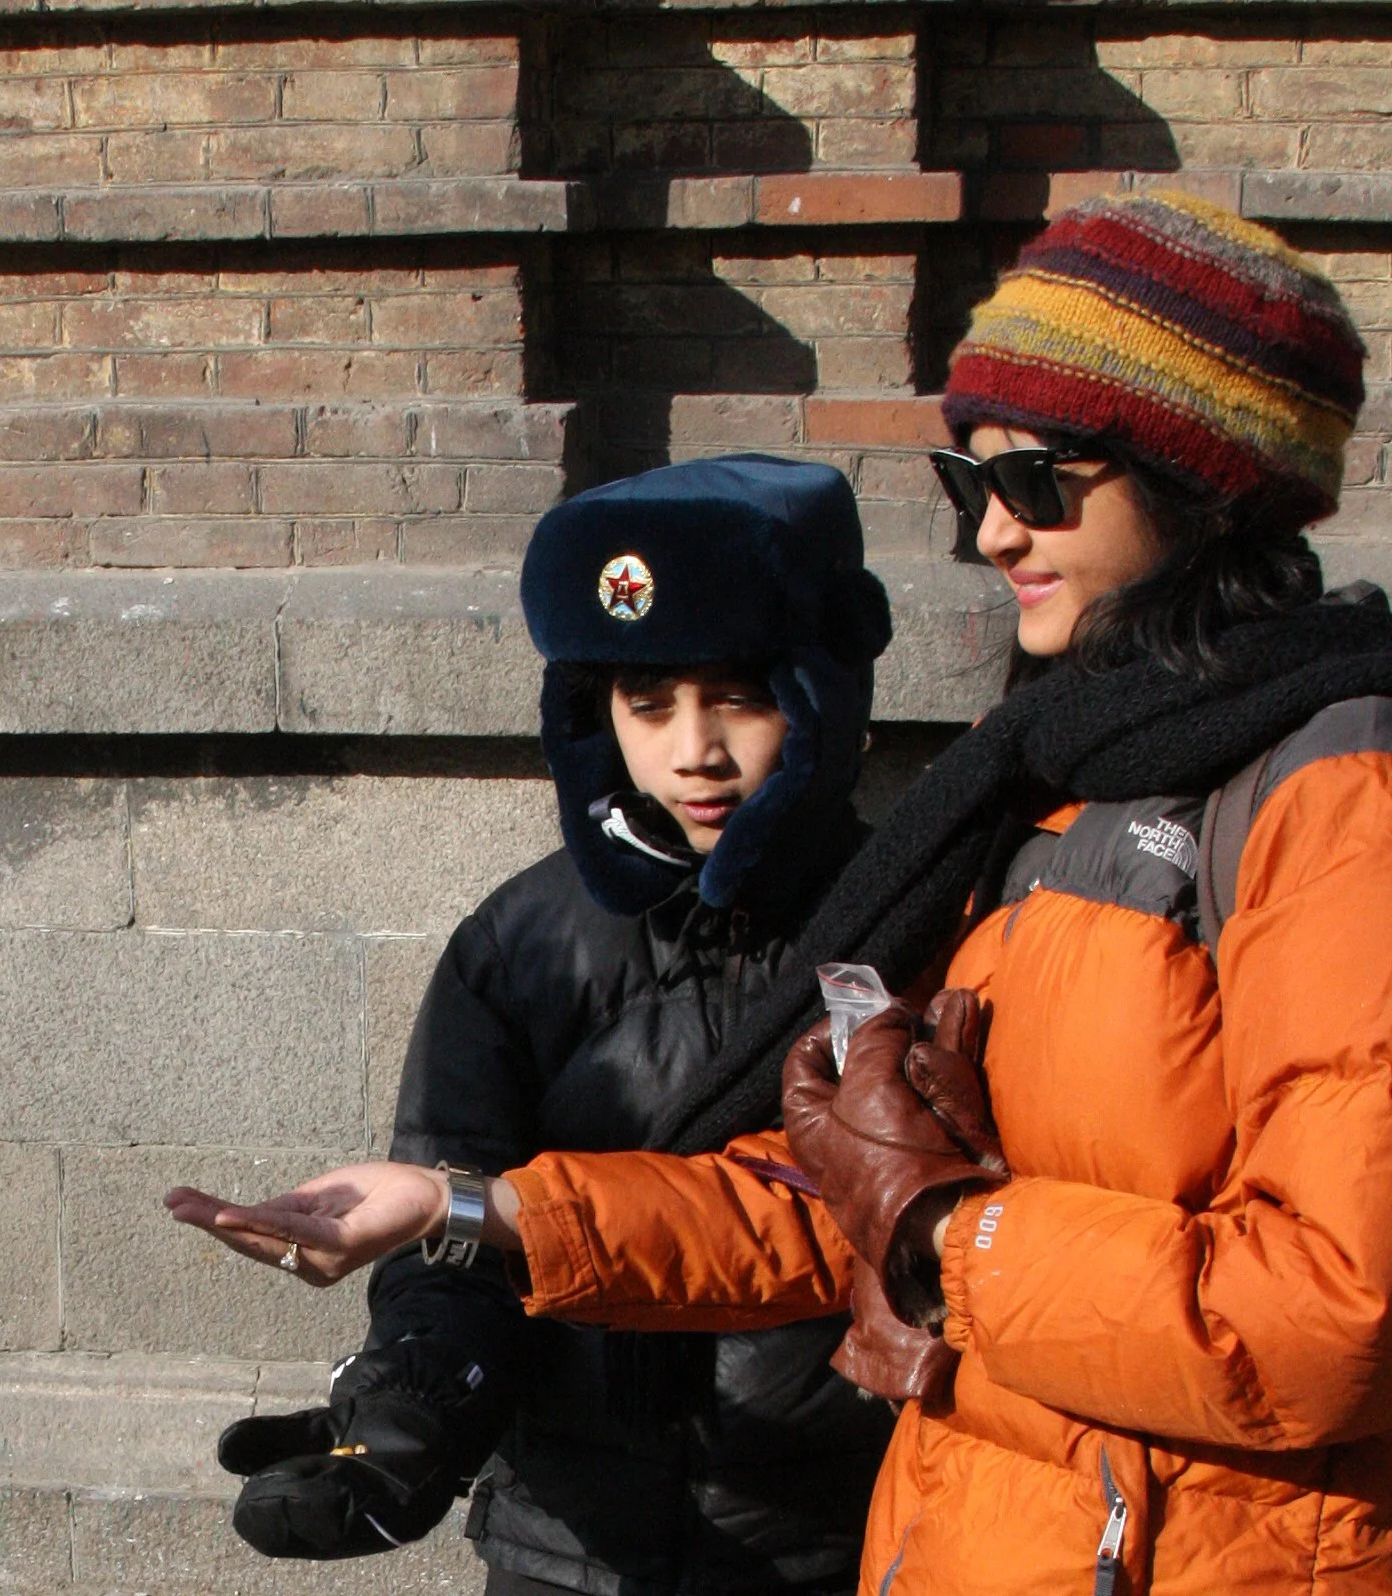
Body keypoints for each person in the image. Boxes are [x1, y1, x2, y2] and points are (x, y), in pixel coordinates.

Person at [173, 190, 1392, 1593]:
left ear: (1202, 477)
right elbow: (839, 1196)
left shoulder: (1331, 791)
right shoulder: (1044, 781)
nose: (993, 535)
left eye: (1036, 480)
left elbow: (1325, 1315)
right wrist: (460, 1214)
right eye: (969, 486)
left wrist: (939, 1231)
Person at [174, 453, 899, 1594]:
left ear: (821, 694)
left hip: (846, 1539)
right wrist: (413, 1416)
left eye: (738, 696)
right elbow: (451, 1229)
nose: (693, 751)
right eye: (647, 704)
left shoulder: (925, 919)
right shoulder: (521, 943)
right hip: (570, 1545)